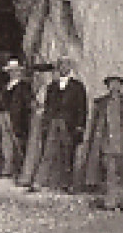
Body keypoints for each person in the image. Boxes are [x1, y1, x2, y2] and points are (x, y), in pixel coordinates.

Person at [76, 74, 123, 210]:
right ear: (108, 86)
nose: (114, 87)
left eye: (117, 84)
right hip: (107, 144)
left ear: (121, 86)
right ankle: (111, 202)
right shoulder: (101, 104)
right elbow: (96, 126)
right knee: (110, 175)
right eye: (111, 84)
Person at [30, 58, 87, 191]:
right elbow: (48, 105)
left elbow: (82, 108)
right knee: (47, 151)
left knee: (68, 153)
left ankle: (68, 184)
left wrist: (80, 126)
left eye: (66, 66)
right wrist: (46, 120)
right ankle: (39, 181)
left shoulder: (78, 86)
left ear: (70, 68)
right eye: (61, 66)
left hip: (69, 123)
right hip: (53, 122)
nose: (63, 68)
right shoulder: (52, 86)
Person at [0, 60, 33, 177]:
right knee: (5, 142)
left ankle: (21, 171)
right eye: (11, 71)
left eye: (15, 71)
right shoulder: (6, 85)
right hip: (4, 114)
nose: (13, 73)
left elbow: (27, 104)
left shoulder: (24, 86)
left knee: (17, 143)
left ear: (19, 72)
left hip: (16, 117)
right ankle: (7, 170)